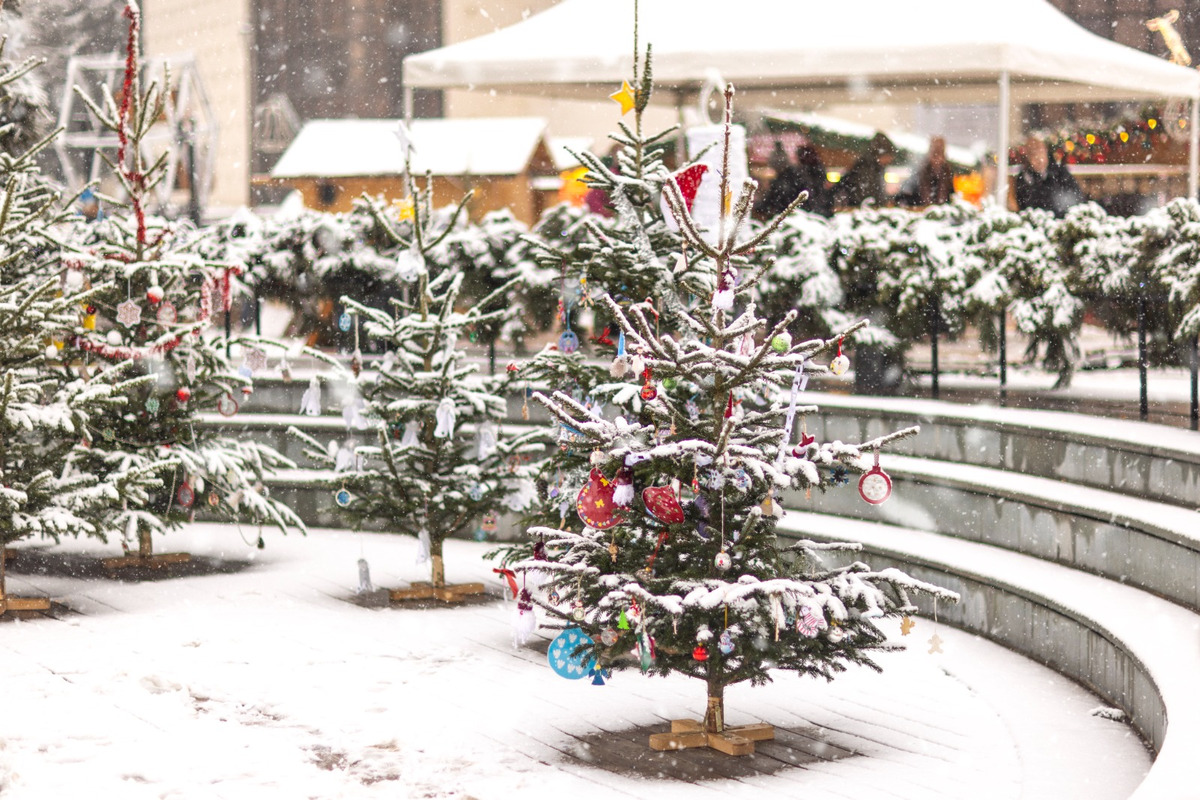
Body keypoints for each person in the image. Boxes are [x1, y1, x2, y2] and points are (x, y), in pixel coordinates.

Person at [755, 141, 833, 218]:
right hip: (811, 213)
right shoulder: (803, 174)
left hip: (795, 215)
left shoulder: (787, 178)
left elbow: (774, 199)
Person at [1013, 135, 1084, 216]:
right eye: (1033, 154)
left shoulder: (1060, 172)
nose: (1038, 158)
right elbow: (1025, 205)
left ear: (1046, 151)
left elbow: (1074, 196)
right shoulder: (1025, 177)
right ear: (1028, 158)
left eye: (1040, 152)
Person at [834, 132, 897, 208]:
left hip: (865, 208)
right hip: (862, 209)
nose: (890, 160)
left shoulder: (876, 167)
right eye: (889, 156)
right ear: (880, 155)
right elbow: (867, 192)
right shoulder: (866, 167)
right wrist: (882, 202)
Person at [904, 136, 954, 206]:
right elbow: (909, 193)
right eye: (935, 156)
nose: (937, 160)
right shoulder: (921, 171)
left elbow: (951, 194)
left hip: (939, 210)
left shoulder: (947, 172)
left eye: (939, 156)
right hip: (922, 209)